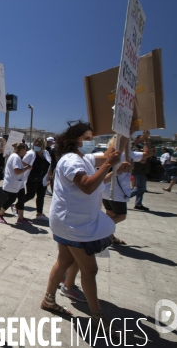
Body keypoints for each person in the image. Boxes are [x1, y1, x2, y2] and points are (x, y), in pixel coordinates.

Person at [40, 121, 121, 331]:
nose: (91, 142)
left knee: (65, 259)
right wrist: (107, 165)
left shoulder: (85, 158)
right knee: (90, 269)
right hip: (73, 224)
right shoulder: (70, 160)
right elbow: (86, 186)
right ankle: (97, 315)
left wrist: (124, 134)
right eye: (87, 138)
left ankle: (48, 299)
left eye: (92, 138)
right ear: (75, 140)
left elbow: (100, 172)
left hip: (72, 221)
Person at [101, 133, 152, 244]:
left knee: (109, 214)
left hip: (105, 188)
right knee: (120, 216)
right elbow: (148, 154)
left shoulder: (108, 154)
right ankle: (100, 230)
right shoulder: (128, 155)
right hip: (118, 191)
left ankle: (109, 236)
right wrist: (146, 140)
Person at [0, 143, 32, 225]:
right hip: (13, 183)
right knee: (11, 199)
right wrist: (27, 168)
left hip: (18, 183)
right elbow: (17, 171)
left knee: (21, 199)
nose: (26, 152)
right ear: (21, 149)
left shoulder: (16, 157)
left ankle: (21, 218)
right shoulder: (15, 157)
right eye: (25, 150)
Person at [22, 137, 52, 221]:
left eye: (38, 144)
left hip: (42, 179)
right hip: (32, 178)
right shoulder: (30, 153)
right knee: (30, 195)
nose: (36, 146)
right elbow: (23, 163)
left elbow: (49, 164)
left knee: (41, 196)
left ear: (43, 145)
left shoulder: (46, 153)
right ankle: (17, 205)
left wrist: (50, 176)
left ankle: (39, 214)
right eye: (35, 144)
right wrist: (28, 167)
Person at [130, 131, 152, 211]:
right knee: (141, 188)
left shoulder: (139, 149)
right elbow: (143, 159)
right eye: (142, 140)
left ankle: (138, 204)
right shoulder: (136, 149)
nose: (143, 141)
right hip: (138, 171)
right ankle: (125, 197)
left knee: (141, 188)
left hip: (142, 170)